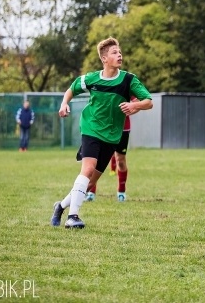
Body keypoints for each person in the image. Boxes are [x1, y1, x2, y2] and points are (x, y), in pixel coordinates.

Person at [51, 37, 153, 229]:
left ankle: (61, 206)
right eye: (115, 52)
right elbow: (72, 88)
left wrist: (135, 105)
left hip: (112, 135)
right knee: (88, 169)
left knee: (90, 183)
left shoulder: (129, 80)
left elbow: (148, 101)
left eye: (120, 52)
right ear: (104, 59)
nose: (119, 55)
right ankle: (73, 217)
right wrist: (64, 104)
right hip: (91, 128)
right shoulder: (92, 78)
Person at [86, 101, 133, 202]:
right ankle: (91, 192)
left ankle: (121, 192)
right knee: (95, 160)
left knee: (120, 160)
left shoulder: (127, 89)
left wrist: (131, 108)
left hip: (122, 128)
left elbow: (138, 102)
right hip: (103, 127)